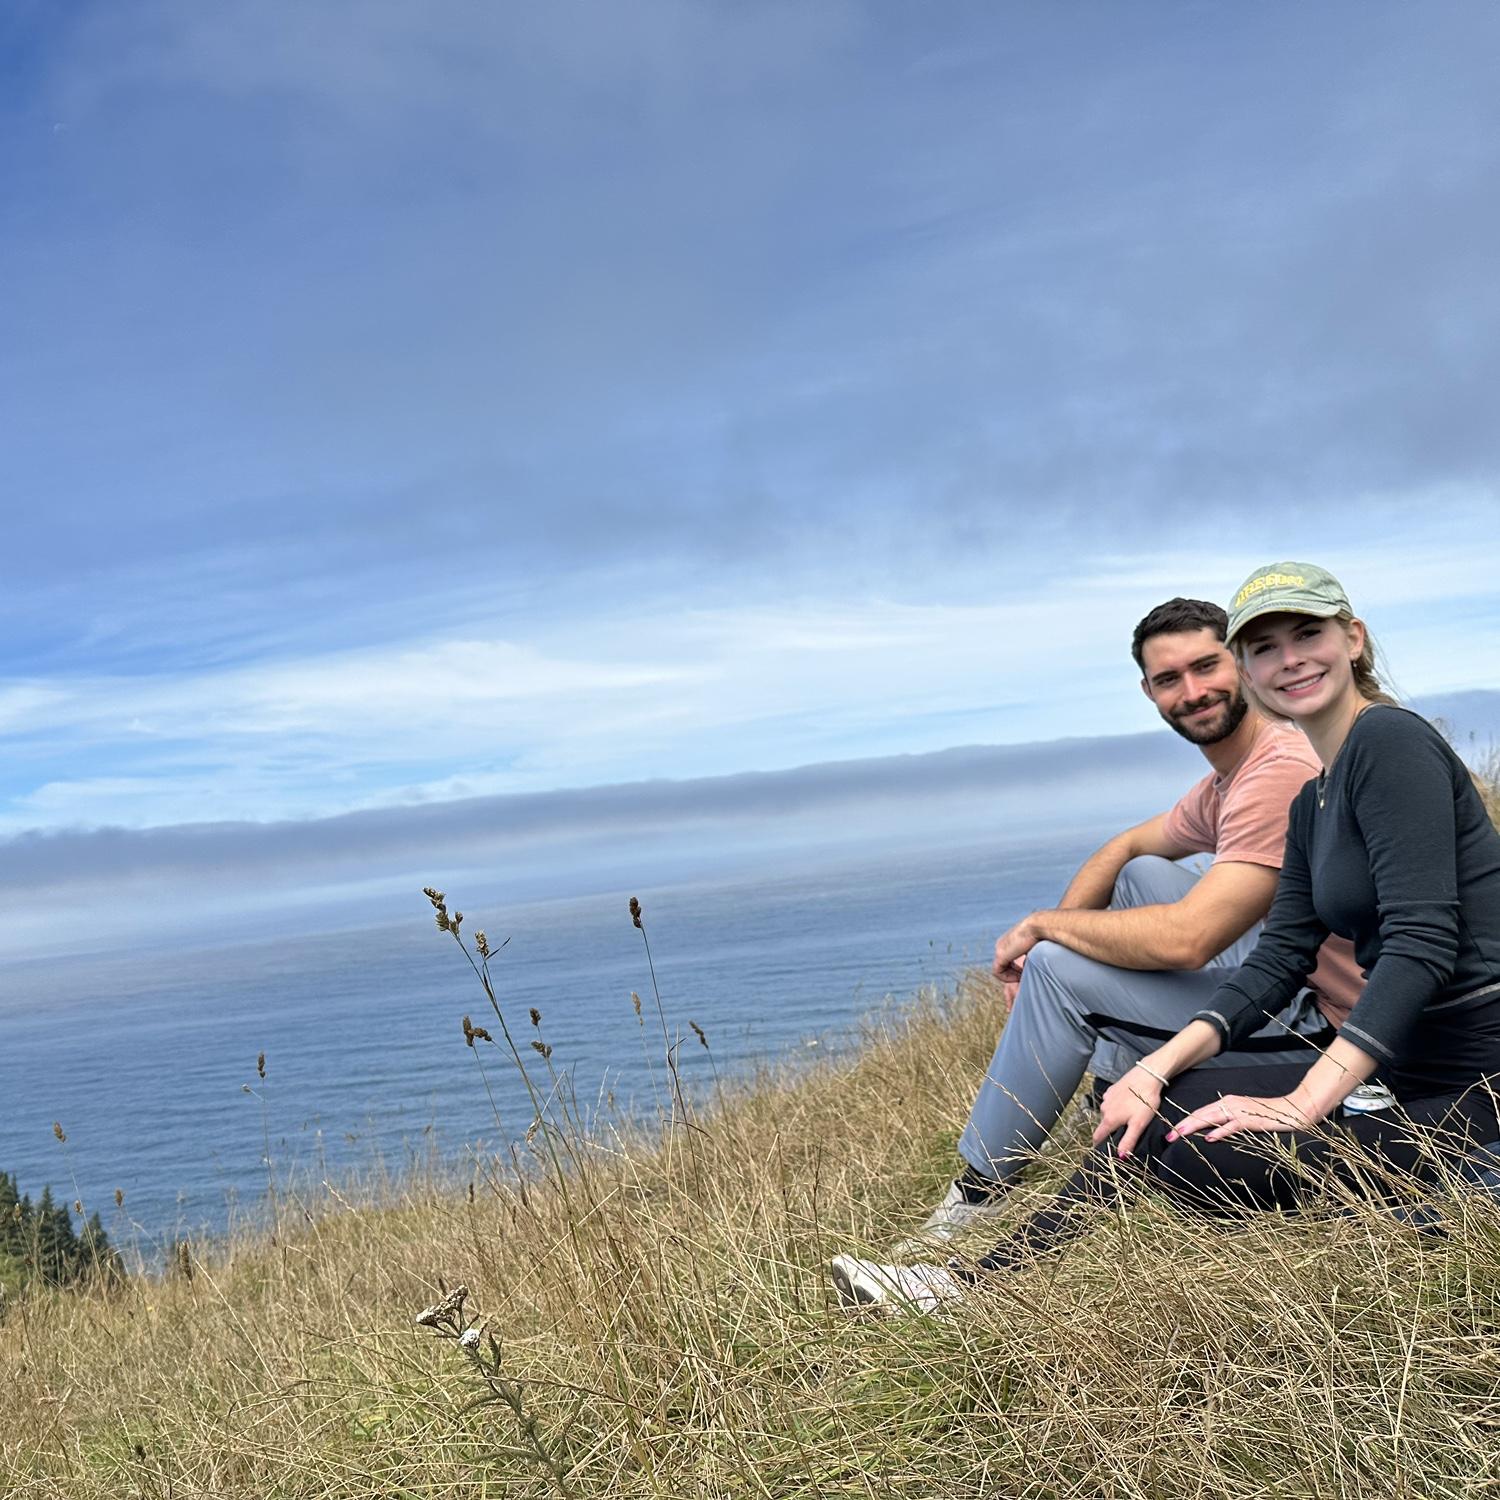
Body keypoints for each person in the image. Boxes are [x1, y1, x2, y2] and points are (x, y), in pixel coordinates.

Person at [833, 562, 1500, 1314]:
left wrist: (1302, 1102)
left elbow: (1420, 945)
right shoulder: (1316, 795)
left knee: (1196, 1149)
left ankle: (1450, 1194)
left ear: (1353, 639)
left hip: (1478, 1083)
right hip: (1403, 1078)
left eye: (1307, 635)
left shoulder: (1389, 740)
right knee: (1156, 1113)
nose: (1290, 660)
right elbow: (1279, 959)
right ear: (1250, 669)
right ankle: (958, 1286)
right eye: (1266, 647)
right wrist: (1153, 1069)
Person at [897, 595, 1361, 1251]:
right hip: (1296, 981)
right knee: (1144, 873)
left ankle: (972, 1201)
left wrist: (1044, 929)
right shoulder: (1233, 775)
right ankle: (1111, 1093)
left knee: (1059, 970)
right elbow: (1125, 847)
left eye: (1206, 666)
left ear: (1241, 664)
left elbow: (1189, 941)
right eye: (1170, 678)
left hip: (1333, 1027)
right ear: (1149, 692)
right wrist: (1061, 924)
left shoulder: (1277, 771)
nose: (1192, 692)